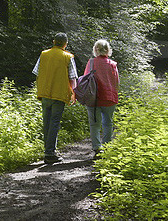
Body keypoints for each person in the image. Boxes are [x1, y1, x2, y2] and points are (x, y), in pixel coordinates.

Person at [32, 32, 77, 164]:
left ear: (53, 42)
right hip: (59, 93)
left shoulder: (44, 54)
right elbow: (72, 77)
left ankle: (49, 151)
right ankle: (50, 153)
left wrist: (39, 88)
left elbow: (36, 73)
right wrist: (73, 94)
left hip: (45, 92)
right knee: (54, 122)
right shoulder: (68, 57)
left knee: (47, 122)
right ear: (65, 44)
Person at [84, 39, 119, 156]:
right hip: (109, 98)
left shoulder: (91, 62)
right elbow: (117, 83)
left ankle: (97, 149)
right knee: (108, 123)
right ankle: (107, 147)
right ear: (108, 50)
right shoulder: (113, 64)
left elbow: (85, 79)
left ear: (95, 50)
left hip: (94, 98)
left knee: (94, 124)